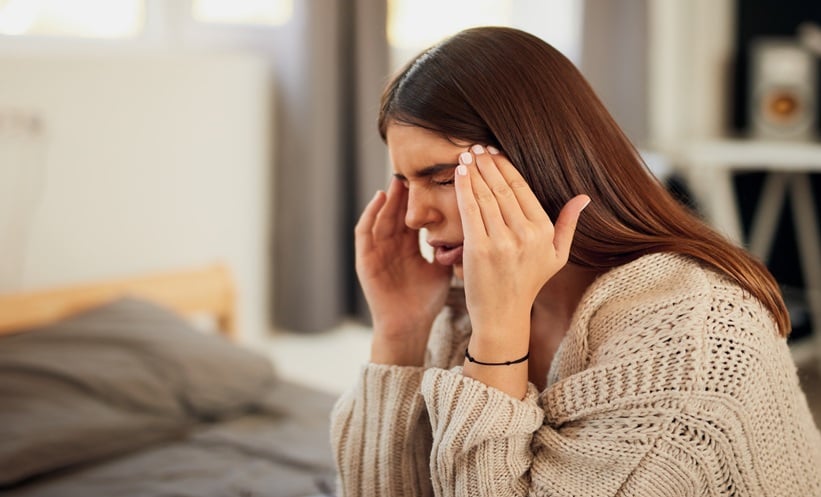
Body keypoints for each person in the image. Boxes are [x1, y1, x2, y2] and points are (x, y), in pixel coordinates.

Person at [330, 26, 821, 496]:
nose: (414, 216)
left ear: (539, 161)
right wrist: (401, 333)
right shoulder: (460, 311)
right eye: (404, 181)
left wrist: (498, 335)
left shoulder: (690, 336)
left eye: (439, 178)